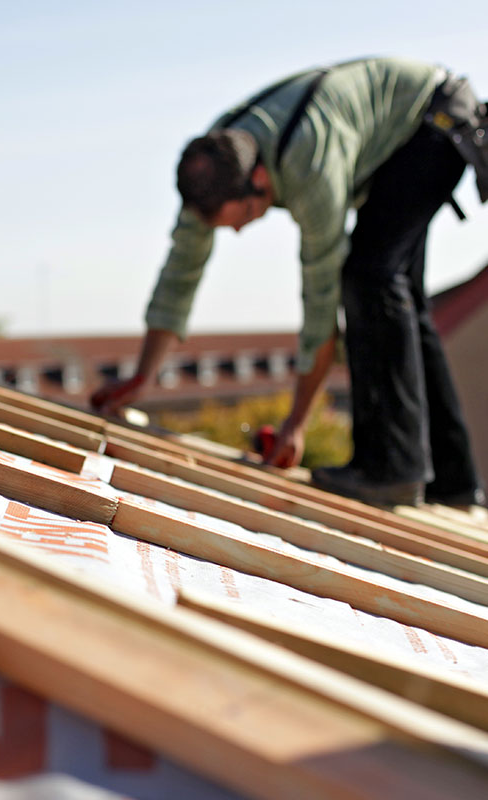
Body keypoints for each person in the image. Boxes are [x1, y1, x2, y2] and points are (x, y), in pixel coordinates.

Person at [90, 57, 487, 507]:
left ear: (259, 180)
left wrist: (296, 423)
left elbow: (321, 307)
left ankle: (391, 468)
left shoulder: (310, 166)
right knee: (399, 298)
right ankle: (452, 481)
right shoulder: (211, 168)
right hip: (403, 130)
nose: (238, 231)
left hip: (434, 125)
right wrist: (142, 376)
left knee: (369, 276)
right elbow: (179, 276)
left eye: (241, 219)